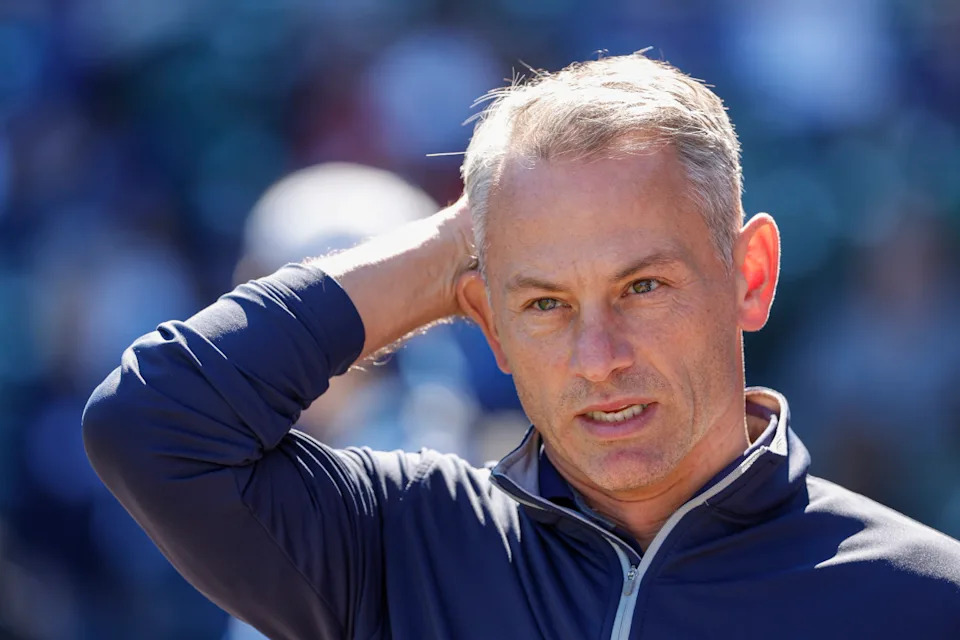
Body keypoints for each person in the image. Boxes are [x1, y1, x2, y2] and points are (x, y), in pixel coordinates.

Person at [82, 53, 960, 640]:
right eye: (543, 303)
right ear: (486, 319)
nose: (597, 355)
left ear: (752, 275)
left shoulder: (926, 600)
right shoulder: (399, 548)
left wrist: (527, 245)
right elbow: (152, 423)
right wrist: (460, 239)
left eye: (642, 287)